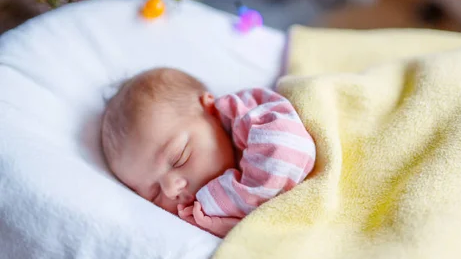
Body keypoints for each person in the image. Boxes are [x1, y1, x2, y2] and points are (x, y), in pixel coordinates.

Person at [101, 67, 316, 237]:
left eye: (178, 158)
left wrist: (222, 206)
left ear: (211, 110)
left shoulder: (255, 117)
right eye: (153, 193)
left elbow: (288, 154)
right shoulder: (195, 220)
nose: (169, 190)